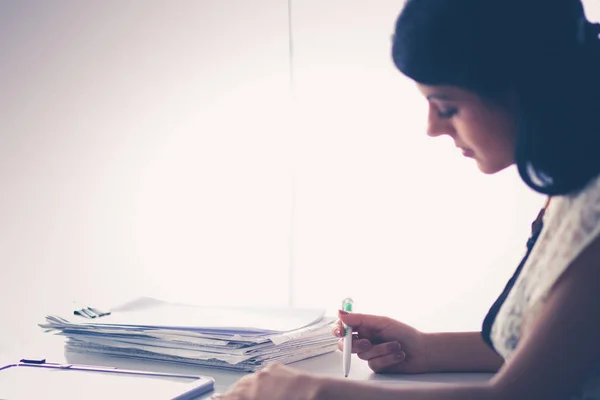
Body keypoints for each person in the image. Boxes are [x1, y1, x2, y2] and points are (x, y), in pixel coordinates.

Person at [213, 0, 600, 398]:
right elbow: (559, 351)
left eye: (448, 106)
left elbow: (524, 393)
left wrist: (315, 393)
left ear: (529, 86)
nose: (432, 127)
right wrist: (427, 349)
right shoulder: (575, 190)